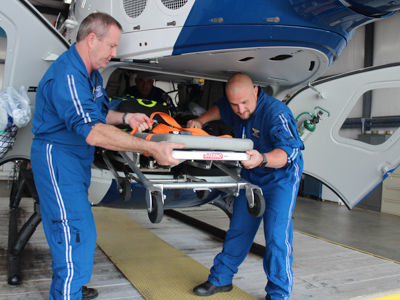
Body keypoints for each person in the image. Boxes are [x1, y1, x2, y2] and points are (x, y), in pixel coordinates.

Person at [30, 12, 185, 300]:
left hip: (77, 159)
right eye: (112, 46)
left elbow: (100, 113)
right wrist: (152, 148)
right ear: (92, 39)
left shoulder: (90, 74)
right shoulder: (68, 74)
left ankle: (74, 285)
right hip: (58, 158)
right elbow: (92, 130)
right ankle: (67, 291)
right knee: (71, 234)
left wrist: (128, 116)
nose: (115, 54)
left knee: (82, 231)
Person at [187, 73, 304, 300]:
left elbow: (289, 153)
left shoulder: (276, 113)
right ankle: (221, 279)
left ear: (256, 92)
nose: (240, 110)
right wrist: (201, 121)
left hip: (280, 177)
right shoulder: (233, 105)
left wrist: (262, 159)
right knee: (239, 228)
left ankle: (279, 294)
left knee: (276, 237)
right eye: (235, 104)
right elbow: (221, 108)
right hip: (253, 174)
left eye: (244, 103)